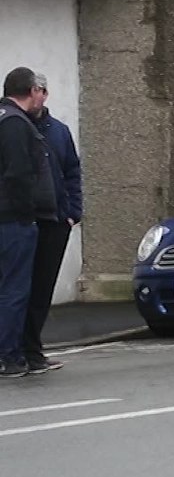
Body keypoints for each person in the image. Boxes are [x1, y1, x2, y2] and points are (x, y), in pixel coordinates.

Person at [24, 74, 82, 374]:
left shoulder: (59, 131)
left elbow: (72, 171)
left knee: (42, 288)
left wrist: (73, 213)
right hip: (21, 220)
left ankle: (32, 349)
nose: (36, 96)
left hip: (55, 221)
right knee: (17, 288)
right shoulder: (13, 127)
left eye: (40, 90)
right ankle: (14, 349)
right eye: (31, 90)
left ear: (45, 94)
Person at [0, 67, 55, 377]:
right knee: (14, 289)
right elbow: (18, 174)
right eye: (40, 92)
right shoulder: (16, 123)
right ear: (33, 91)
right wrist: (26, 214)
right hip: (12, 220)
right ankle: (9, 356)